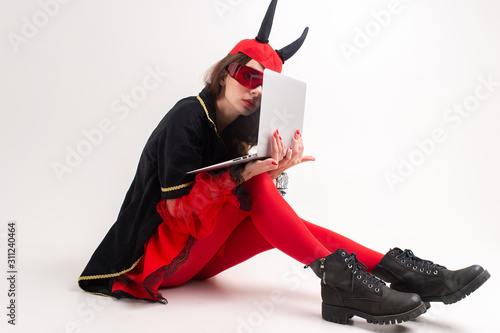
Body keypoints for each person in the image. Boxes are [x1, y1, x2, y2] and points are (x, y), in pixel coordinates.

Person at [78, 0, 490, 325]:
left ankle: (402, 274)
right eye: (247, 75)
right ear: (225, 72)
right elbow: (177, 212)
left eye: (265, 87)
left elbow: (246, 204)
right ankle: (344, 284)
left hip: (203, 258)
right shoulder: (188, 115)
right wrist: (247, 175)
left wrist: (273, 171)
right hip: (156, 260)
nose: (254, 90)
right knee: (254, 186)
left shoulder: (243, 128)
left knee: (290, 220)